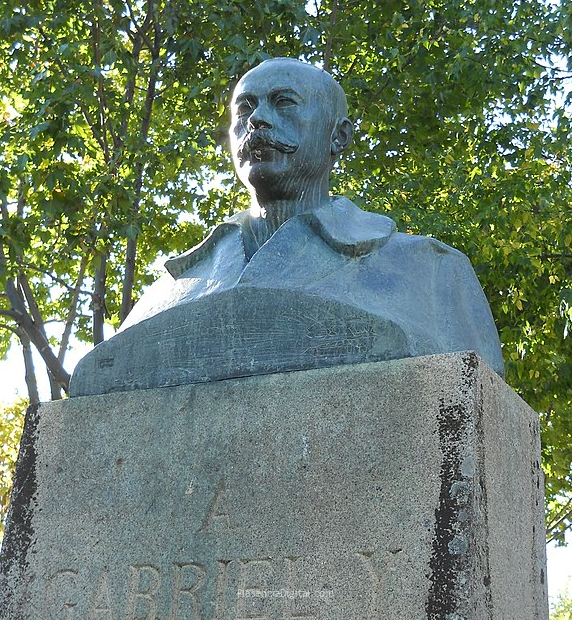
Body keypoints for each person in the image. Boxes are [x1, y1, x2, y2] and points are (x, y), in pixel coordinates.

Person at [70, 58, 503, 397]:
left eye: (284, 103)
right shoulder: (168, 293)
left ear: (339, 138)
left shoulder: (432, 273)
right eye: (245, 108)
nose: (257, 121)